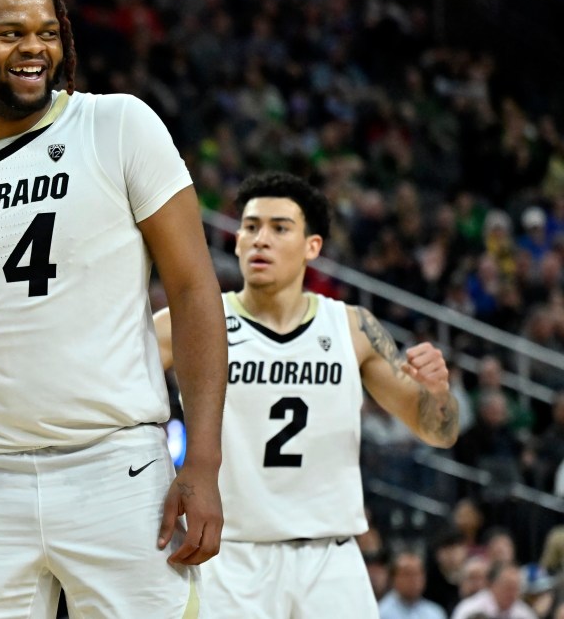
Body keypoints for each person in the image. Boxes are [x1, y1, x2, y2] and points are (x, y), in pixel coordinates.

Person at [0, 0, 226, 618]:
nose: (35, 47)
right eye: (11, 33)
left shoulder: (119, 126)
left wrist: (205, 462)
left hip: (118, 468)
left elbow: (193, 291)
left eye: (47, 32)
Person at [154, 172, 459, 618]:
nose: (261, 240)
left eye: (280, 228)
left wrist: (437, 393)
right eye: (251, 227)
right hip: (231, 554)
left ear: (312, 247)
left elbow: (438, 431)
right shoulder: (193, 321)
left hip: (330, 561)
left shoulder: (352, 328)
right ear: (236, 241)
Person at [450, 563, 537, 619]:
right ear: (491, 585)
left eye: (516, 589)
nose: (512, 594)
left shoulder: (524, 614)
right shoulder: (469, 609)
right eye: (508, 588)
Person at [379, 551, 448, 619]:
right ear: (393, 579)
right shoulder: (380, 613)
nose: (413, 579)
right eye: (407, 574)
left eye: (418, 574)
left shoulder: (435, 613)